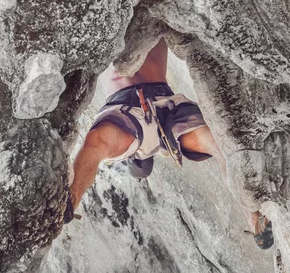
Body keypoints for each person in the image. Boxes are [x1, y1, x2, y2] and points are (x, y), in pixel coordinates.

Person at [65, 38, 273, 249]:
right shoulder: (102, 24)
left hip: (157, 108)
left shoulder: (150, 10)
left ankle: (253, 214)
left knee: (221, 143)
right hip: (134, 110)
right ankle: (69, 202)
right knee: (98, 141)